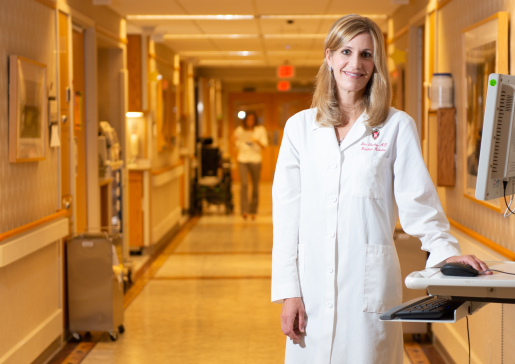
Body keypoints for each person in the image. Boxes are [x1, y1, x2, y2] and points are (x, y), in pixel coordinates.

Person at [271, 14, 491, 364]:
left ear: (376, 64)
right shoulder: (299, 129)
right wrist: (288, 292)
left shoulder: (396, 126)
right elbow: (286, 218)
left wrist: (446, 253)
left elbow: (419, 202)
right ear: (329, 57)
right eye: (346, 51)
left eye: (366, 54)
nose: (355, 63)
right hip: (309, 291)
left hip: (367, 292)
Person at [233, 111, 268, 220]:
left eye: (252, 119)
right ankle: (244, 210)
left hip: (256, 160)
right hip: (243, 159)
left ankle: (253, 210)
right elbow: (236, 145)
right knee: (243, 184)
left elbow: (265, 146)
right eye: (248, 119)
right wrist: (233, 140)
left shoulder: (260, 130)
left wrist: (256, 141)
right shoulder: (239, 130)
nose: (250, 122)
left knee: (255, 185)